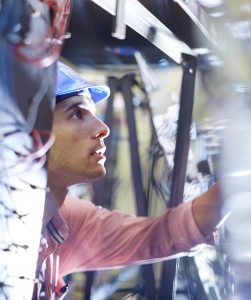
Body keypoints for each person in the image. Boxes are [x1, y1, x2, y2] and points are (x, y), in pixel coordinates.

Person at [34, 61, 221, 299]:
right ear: (26, 132)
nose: (103, 128)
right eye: (77, 113)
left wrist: (242, 186)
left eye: (94, 113)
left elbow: (161, 235)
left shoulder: (65, 219)